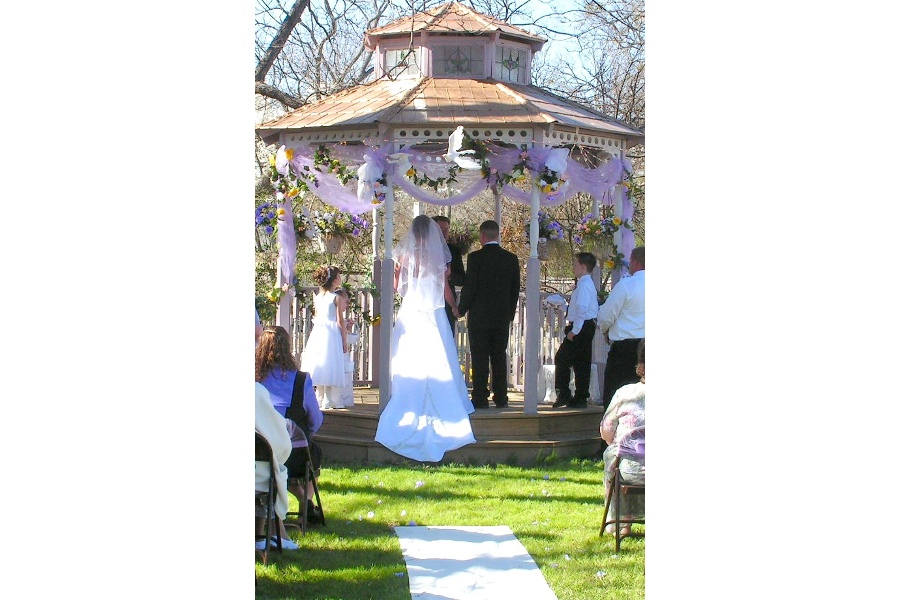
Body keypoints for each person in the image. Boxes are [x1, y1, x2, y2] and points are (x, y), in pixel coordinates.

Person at [375, 215, 476, 462]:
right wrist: (454, 307)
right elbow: (444, 288)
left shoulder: (405, 256)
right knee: (439, 355)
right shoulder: (439, 257)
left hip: (411, 309)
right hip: (433, 312)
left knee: (409, 354)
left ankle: (404, 394)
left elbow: (399, 287)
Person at [257, 326, 325, 524]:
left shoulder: (254, 380)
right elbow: (315, 419)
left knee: (275, 461)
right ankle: (307, 501)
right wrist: (304, 436)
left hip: (257, 452)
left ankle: (303, 499)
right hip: (294, 452)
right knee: (313, 455)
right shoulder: (301, 380)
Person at [458, 220, 521, 408]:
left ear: (482, 236)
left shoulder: (475, 258)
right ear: (498, 235)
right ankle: (501, 397)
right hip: (501, 316)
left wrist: (460, 309)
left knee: (479, 357)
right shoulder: (511, 258)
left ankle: (479, 397)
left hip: (479, 317)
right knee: (499, 357)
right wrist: (509, 314)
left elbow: (470, 287)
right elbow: (514, 289)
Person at [600, 340, 645, 536]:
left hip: (629, 470)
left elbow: (607, 433)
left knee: (616, 458)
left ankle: (620, 524)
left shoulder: (625, 394)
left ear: (641, 365)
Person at [598, 246, 645, 408]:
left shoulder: (627, 285)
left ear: (636, 262)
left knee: (617, 397)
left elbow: (606, 315)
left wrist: (605, 329)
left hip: (625, 349)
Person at [255, 382, 300, 550]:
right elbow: (283, 447)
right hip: (259, 478)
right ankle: (272, 533)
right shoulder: (257, 393)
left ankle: (260, 534)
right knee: (273, 473)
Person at [553, 252, 600, 408]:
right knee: (581, 362)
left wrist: (575, 330)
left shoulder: (585, 285)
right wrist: (562, 306)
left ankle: (565, 393)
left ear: (583, 266)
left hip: (582, 326)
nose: (573, 267)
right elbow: (578, 307)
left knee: (562, 358)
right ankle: (580, 396)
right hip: (584, 325)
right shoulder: (584, 284)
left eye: (575, 264)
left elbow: (582, 308)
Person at [300, 265, 349, 409]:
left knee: (322, 362)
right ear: (334, 281)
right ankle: (327, 398)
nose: (340, 278)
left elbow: (317, 315)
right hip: (332, 333)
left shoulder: (318, 297)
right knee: (331, 362)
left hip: (319, 331)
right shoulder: (336, 298)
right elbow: (340, 321)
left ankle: (320, 398)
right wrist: (344, 340)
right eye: (339, 276)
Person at [432, 215, 466, 335]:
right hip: (428, 301)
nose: (445, 233)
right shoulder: (422, 250)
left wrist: (449, 276)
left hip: (447, 304)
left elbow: (462, 279)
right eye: (441, 230)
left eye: (447, 229)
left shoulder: (454, 251)